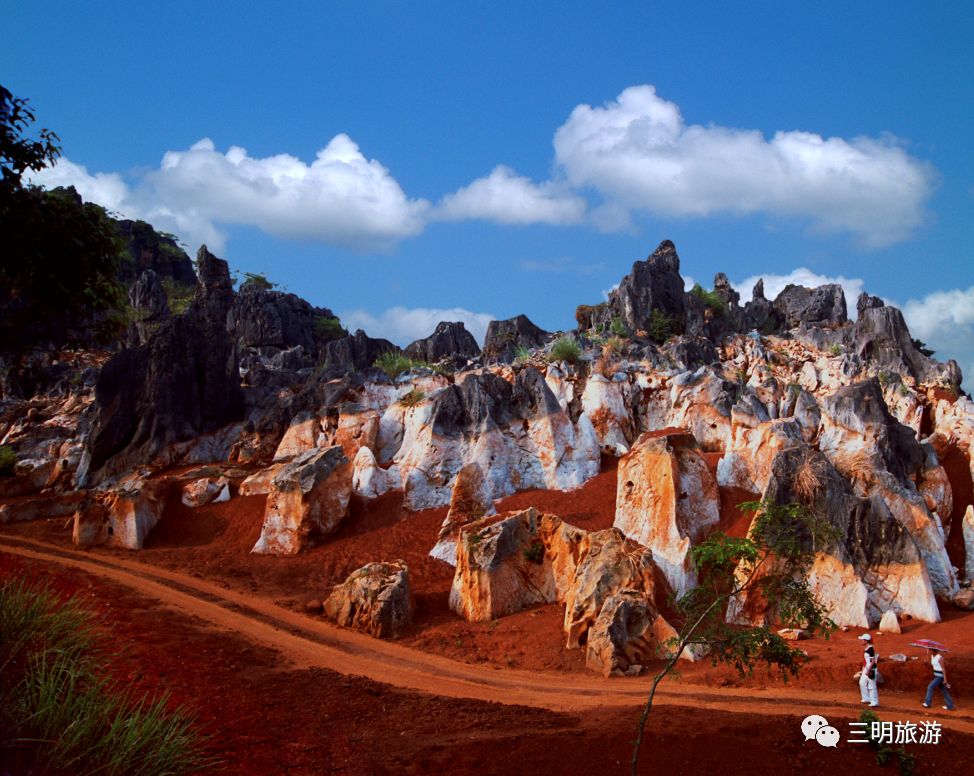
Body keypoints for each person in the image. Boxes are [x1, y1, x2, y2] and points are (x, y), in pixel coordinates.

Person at [858, 633, 879, 707]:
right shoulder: (866, 648)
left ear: (866, 641)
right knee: (862, 682)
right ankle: (866, 698)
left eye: (862, 640)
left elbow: (873, 661)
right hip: (866, 667)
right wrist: (864, 668)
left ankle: (874, 701)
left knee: (872, 685)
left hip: (871, 668)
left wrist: (868, 670)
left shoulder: (870, 649)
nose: (861, 641)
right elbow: (866, 660)